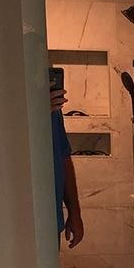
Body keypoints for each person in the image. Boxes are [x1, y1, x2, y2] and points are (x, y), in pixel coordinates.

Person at [50, 85, 84, 248]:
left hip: (51, 220)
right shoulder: (8, 106)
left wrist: (75, 212)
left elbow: (64, 158)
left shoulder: (54, 112)